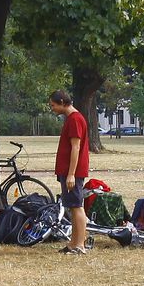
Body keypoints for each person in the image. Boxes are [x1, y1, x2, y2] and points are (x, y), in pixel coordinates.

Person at [48, 90, 90, 254]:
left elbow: (76, 147)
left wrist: (71, 174)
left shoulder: (75, 119)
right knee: (72, 206)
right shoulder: (71, 119)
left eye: (53, 105)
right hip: (67, 170)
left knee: (77, 206)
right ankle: (73, 243)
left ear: (62, 102)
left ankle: (80, 245)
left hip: (73, 172)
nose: (52, 108)